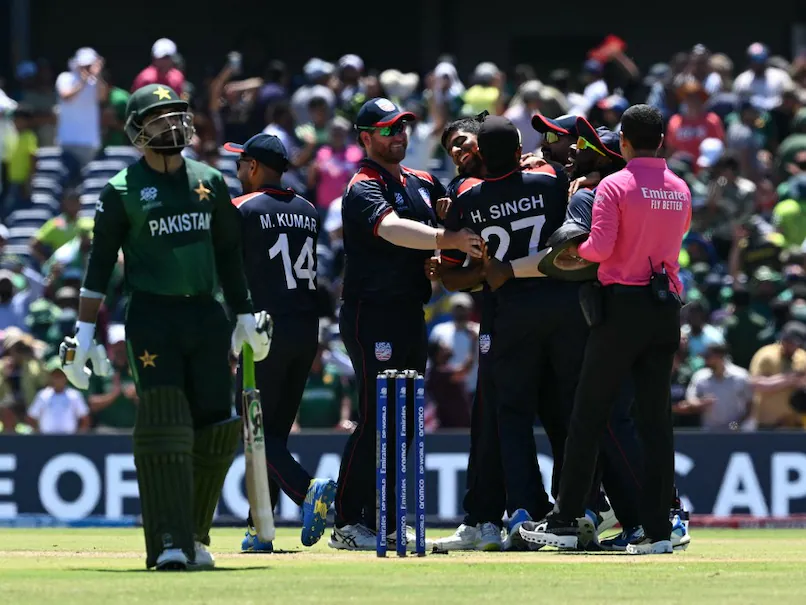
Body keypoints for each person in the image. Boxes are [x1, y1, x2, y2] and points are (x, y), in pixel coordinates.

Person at [58, 84, 270, 571]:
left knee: (217, 428)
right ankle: (168, 541)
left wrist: (244, 312)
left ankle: (195, 535)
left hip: (206, 316)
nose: (170, 126)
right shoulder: (121, 191)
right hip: (152, 317)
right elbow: (98, 270)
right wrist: (85, 335)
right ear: (137, 131)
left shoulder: (210, 181)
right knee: (166, 424)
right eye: (157, 118)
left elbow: (228, 255)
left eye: (176, 114)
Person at [520, 104, 691, 555]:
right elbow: (675, 240)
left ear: (625, 143)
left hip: (621, 309)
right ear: (661, 141)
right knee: (656, 424)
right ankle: (658, 532)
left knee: (588, 416)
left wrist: (574, 252)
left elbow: (599, 248)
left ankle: (566, 518)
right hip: (665, 308)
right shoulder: (680, 187)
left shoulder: (614, 185)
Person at [330, 97, 482, 551]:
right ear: (365, 138)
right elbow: (393, 228)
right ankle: (347, 521)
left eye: (403, 127)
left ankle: (387, 518)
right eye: (388, 129)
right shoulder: (362, 186)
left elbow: (458, 205)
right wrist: (444, 238)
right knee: (379, 416)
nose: (399, 135)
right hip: (369, 313)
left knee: (406, 422)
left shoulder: (421, 180)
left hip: (408, 313)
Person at [444, 115, 580, 549]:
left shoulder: (466, 196)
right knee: (568, 415)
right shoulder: (551, 179)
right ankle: (575, 511)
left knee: (512, 416)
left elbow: (450, 276)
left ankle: (524, 510)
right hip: (562, 307)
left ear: (481, 153)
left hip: (509, 313)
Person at [225, 132, 337, 552]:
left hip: (263, 332)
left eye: (241, 164)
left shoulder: (241, 207)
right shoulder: (308, 210)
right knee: (272, 436)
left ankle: (308, 490)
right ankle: (260, 529)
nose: (238, 172)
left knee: (253, 434)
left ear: (253, 167)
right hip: (305, 333)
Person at [430, 115, 506, 552]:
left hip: (550, 317)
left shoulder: (533, 172)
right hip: (500, 315)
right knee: (491, 420)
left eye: (462, 142)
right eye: (451, 149)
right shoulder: (458, 194)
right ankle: (483, 519)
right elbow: (455, 280)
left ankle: (570, 512)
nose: (458, 153)